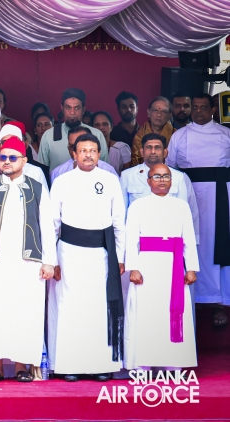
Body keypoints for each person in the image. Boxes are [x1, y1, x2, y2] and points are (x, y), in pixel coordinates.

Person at [0, 137, 57, 383]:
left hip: (28, 262)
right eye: (3, 158)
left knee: (25, 312)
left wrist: (49, 261)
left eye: (12, 158)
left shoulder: (36, 187)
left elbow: (47, 226)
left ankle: (21, 366)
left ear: (24, 161)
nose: (6, 162)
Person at [48, 133, 126, 382]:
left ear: (99, 154)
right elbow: (52, 224)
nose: (88, 155)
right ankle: (70, 365)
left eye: (93, 150)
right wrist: (52, 260)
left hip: (101, 253)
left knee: (98, 307)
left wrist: (120, 256)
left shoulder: (110, 180)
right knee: (71, 307)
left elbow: (119, 222)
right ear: (74, 153)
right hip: (69, 252)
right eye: (83, 151)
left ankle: (100, 364)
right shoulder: (62, 181)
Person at [124, 163, 199, 371]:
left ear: (172, 181)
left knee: (172, 312)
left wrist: (191, 267)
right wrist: (133, 267)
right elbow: (131, 240)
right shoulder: (138, 206)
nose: (162, 180)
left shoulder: (181, 206)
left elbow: (188, 238)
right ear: (148, 181)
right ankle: (143, 365)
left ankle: (173, 364)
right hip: (146, 265)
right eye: (157, 176)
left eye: (166, 176)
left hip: (173, 266)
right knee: (147, 312)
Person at [167, 93, 230, 326]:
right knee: (192, 242)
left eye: (204, 107)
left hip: (220, 196)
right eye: (195, 107)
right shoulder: (179, 135)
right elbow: (171, 167)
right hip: (189, 193)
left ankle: (218, 301)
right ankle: (190, 298)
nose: (199, 111)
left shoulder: (225, 134)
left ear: (213, 110)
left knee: (216, 244)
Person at [120, 133, 199, 239]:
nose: (153, 151)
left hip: (169, 236)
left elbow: (188, 213)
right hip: (138, 236)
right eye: (149, 147)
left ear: (165, 152)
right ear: (142, 152)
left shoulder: (179, 177)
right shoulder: (127, 175)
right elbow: (121, 212)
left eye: (157, 147)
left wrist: (191, 240)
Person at [37, 88, 109, 170]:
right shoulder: (49, 136)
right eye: (68, 108)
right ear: (62, 108)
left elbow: (105, 169)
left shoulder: (96, 134)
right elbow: (41, 170)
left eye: (77, 108)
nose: (72, 112)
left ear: (84, 109)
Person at [0, 123, 49, 188]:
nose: (9, 145)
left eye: (14, 141)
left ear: (23, 145)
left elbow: (43, 197)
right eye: (5, 142)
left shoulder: (36, 171)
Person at [50, 126, 118, 182]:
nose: (77, 149)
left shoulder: (108, 170)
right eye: (72, 146)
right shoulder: (58, 173)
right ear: (68, 148)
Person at [131, 96, 176, 166]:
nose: (159, 115)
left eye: (164, 111)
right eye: (155, 110)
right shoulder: (139, 136)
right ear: (148, 113)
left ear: (170, 115)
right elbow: (135, 163)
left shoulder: (176, 135)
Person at [93, 111, 131, 175]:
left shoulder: (121, 148)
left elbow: (128, 174)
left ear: (111, 127)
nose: (101, 127)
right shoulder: (87, 149)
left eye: (105, 124)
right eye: (97, 125)